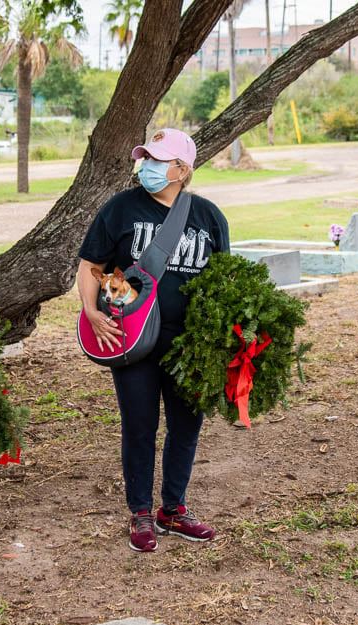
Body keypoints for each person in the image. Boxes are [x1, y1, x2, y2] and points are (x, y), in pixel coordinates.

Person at [76, 128, 230, 552]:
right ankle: (140, 512)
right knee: (140, 425)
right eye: (145, 158)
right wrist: (91, 311)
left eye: (158, 161)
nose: (147, 167)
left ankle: (174, 510)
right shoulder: (121, 208)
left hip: (188, 346)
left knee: (186, 426)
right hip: (134, 340)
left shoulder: (209, 216)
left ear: (182, 169)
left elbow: (222, 283)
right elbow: (90, 263)